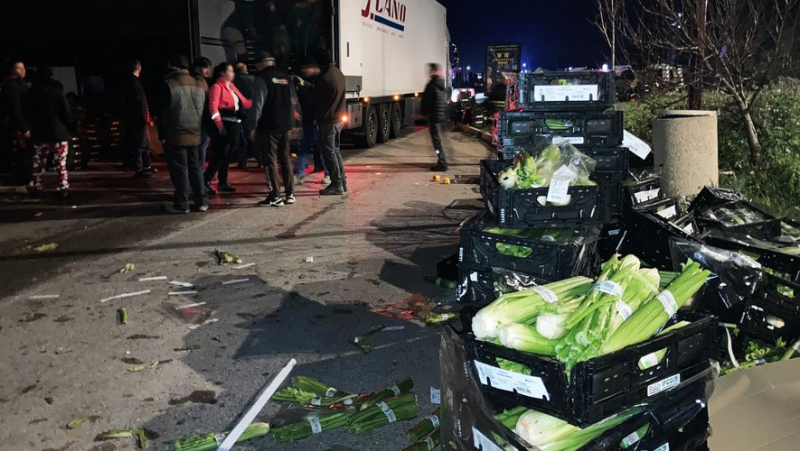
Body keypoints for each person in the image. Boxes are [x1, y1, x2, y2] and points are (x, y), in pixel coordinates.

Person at [157, 54, 209, 214]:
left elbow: (163, 113)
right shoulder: (200, 84)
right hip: (196, 134)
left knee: (180, 170)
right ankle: (201, 202)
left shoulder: (169, 84)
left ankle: (182, 203)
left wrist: (162, 135)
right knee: (196, 168)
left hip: (176, 135)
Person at [251, 53, 296, 207]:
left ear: (262, 64)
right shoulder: (286, 78)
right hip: (286, 125)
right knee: (285, 159)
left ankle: (275, 196)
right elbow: (293, 101)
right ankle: (290, 194)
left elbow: (257, 105)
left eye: (257, 64)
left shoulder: (261, 79)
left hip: (269, 126)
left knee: (269, 161)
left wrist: (253, 126)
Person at [25, 67, 72, 199]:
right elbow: (66, 111)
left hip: (40, 133)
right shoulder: (57, 91)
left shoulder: (32, 93)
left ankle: (37, 187)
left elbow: (27, 113)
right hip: (58, 131)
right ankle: (63, 187)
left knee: (38, 163)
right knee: (61, 163)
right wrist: (68, 125)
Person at [204, 62, 251, 196]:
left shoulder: (232, 87)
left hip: (235, 122)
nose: (233, 73)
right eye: (230, 71)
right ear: (222, 73)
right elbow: (213, 108)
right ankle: (206, 180)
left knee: (228, 154)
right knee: (221, 153)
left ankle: (222, 181)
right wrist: (219, 126)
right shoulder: (217, 87)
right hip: (225, 123)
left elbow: (245, 102)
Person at [310, 48, 347, 196]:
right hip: (338, 119)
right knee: (335, 151)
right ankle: (342, 182)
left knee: (329, 152)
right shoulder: (338, 73)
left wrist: (305, 87)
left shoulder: (325, 78)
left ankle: (336, 184)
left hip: (328, 120)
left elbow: (315, 99)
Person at [120, 58, 154, 178]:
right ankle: (140, 168)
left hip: (134, 118)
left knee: (142, 143)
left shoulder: (129, 82)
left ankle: (145, 166)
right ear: (139, 68)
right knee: (140, 143)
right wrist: (146, 118)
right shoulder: (134, 83)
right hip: (138, 119)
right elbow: (141, 103)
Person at [293, 59, 325, 184]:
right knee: (308, 146)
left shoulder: (320, 81)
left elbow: (313, 100)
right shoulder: (308, 82)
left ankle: (325, 172)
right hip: (309, 119)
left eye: (306, 67)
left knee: (321, 147)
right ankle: (301, 172)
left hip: (317, 119)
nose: (303, 70)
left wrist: (304, 87)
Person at [1, 60, 32, 182]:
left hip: (20, 123)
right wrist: (23, 127)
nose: (23, 71)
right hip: (17, 126)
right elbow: (15, 108)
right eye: (19, 68)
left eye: (24, 68)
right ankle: (23, 180)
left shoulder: (18, 85)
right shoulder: (11, 86)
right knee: (22, 154)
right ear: (12, 70)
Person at [422, 63, 449, 171]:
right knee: (438, 140)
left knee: (436, 141)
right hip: (440, 115)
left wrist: (423, 112)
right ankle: (442, 161)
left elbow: (426, 101)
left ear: (432, 71)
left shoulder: (431, 85)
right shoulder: (441, 84)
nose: (428, 72)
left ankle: (442, 163)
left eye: (429, 70)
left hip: (434, 115)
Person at [190, 57, 213, 168]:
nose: (208, 70)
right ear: (197, 68)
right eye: (205, 67)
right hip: (202, 118)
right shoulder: (200, 80)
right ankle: (199, 171)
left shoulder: (196, 79)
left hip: (197, 119)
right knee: (201, 146)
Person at [234, 62, 255, 168]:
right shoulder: (253, 79)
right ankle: (260, 159)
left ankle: (242, 161)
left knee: (243, 137)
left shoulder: (235, 81)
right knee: (255, 135)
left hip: (241, 111)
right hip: (253, 110)